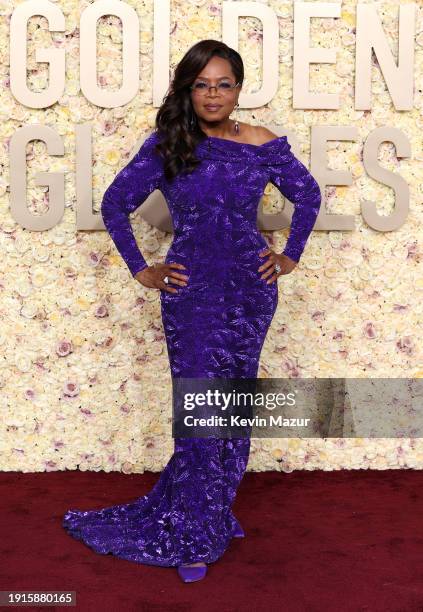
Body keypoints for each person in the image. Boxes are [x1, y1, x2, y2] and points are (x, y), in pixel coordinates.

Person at [62, 39, 321, 583]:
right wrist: (141, 269)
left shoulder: (262, 143)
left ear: (239, 89)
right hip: (191, 295)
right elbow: (114, 204)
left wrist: (289, 256)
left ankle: (212, 510)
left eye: (224, 83)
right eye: (202, 83)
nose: (213, 94)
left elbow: (309, 193)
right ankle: (192, 534)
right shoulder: (170, 143)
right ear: (187, 88)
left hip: (250, 294)